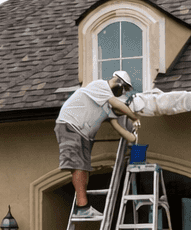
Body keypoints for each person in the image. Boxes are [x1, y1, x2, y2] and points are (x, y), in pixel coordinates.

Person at [54, 71, 142, 219]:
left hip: (82, 135)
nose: (122, 93)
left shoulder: (106, 103)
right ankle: (82, 207)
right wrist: (134, 117)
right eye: (123, 89)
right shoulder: (100, 86)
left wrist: (133, 138)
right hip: (71, 127)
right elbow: (118, 105)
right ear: (119, 83)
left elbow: (117, 126)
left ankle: (82, 205)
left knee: (83, 169)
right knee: (79, 166)